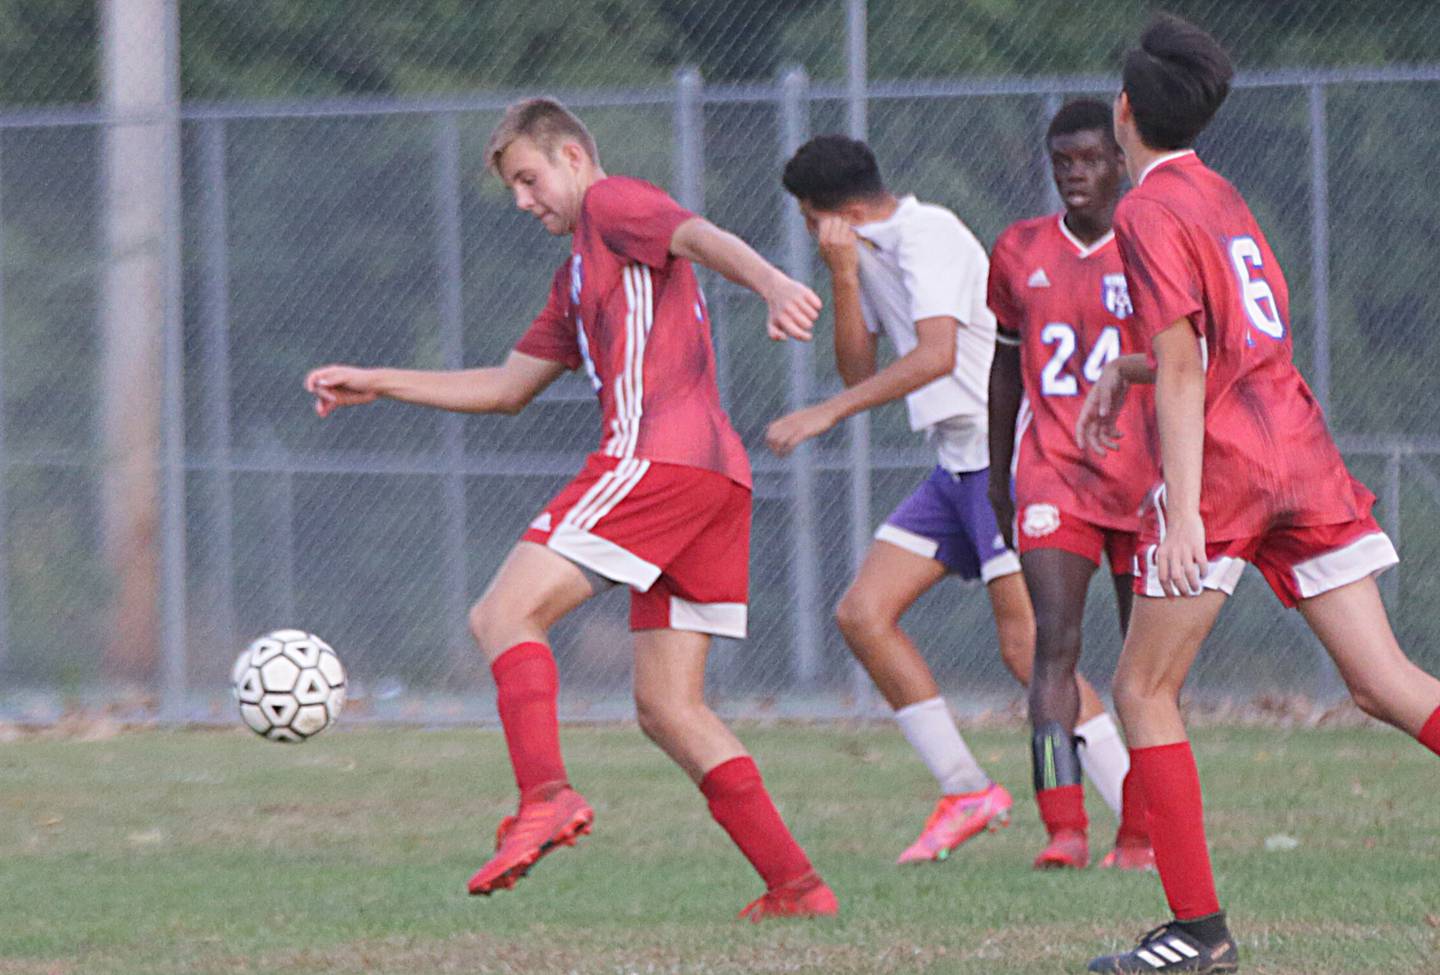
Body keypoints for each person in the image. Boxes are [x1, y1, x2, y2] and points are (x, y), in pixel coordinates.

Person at [305, 97, 838, 921]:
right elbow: (508, 387)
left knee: (501, 612)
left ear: (574, 158)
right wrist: (380, 380)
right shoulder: (577, 273)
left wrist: (770, 281)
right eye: (514, 186)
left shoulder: (610, 202)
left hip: (656, 458)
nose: (524, 199)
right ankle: (798, 885)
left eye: (529, 177)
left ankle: (545, 796)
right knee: (668, 706)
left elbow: (697, 234)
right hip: (714, 478)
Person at [1077, 15, 1440, 972]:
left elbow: (1192, 361)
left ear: (1124, 112)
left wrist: (1187, 510)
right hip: (1300, 447)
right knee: (1384, 681)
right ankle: (1194, 932)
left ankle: (1197, 933)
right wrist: (1126, 369)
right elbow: (1227, 342)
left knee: (1141, 687)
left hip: (1232, 463)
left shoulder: (1143, 211)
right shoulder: (1221, 192)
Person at [771, 134, 1121, 866]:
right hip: (954, 467)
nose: (812, 234)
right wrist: (841, 274)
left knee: (1028, 645)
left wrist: (823, 416)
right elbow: (856, 365)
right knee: (863, 613)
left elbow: (932, 354)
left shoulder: (926, 233)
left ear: (840, 210)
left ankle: (1135, 816)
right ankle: (965, 789)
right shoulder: (862, 252)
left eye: (811, 219)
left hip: (1008, 457)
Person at [987, 99, 1154, 871]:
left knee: (1145, 668)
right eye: (1063, 162)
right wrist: (997, 473)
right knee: (1052, 646)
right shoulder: (1019, 250)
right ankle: (1065, 824)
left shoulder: (1154, 245)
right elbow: (1002, 368)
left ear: (1120, 160)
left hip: (1145, 479)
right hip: (1052, 473)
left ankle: (1144, 830)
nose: (1076, 174)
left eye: (1090, 159)